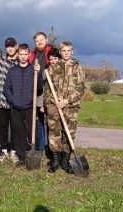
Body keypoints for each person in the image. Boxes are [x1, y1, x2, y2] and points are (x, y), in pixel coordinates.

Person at [44, 41, 85, 174]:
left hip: (70, 108)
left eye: (68, 51)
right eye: (64, 51)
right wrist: (53, 102)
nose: (66, 53)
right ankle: (55, 161)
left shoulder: (78, 68)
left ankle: (65, 162)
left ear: (72, 51)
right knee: (54, 133)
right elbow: (47, 88)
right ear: (60, 52)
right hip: (55, 107)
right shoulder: (53, 68)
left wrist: (67, 101)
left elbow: (80, 90)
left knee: (69, 135)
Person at [4, 43, 43, 166]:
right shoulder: (12, 71)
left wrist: (39, 73)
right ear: (18, 54)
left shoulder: (33, 70)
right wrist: (12, 100)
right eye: (21, 54)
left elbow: (40, 88)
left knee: (32, 133)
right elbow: (6, 88)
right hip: (15, 107)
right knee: (18, 133)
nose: (23, 57)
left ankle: (34, 155)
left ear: (29, 55)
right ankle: (21, 157)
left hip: (29, 107)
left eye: (25, 54)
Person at [0, 37, 19, 162]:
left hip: (16, 102)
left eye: (12, 46)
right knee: (3, 127)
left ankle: (14, 151)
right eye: (8, 46)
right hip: (2, 101)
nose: (10, 48)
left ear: (16, 46)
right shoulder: (2, 62)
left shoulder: (20, 61)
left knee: (15, 127)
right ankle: (3, 150)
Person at [29, 32, 53, 152]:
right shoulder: (32, 54)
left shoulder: (51, 52)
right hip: (36, 92)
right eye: (37, 40)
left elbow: (53, 70)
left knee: (50, 121)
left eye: (41, 39)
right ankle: (40, 147)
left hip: (49, 90)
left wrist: (41, 70)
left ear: (46, 39)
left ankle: (51, 148)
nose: (39, 42)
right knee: (38, 120)